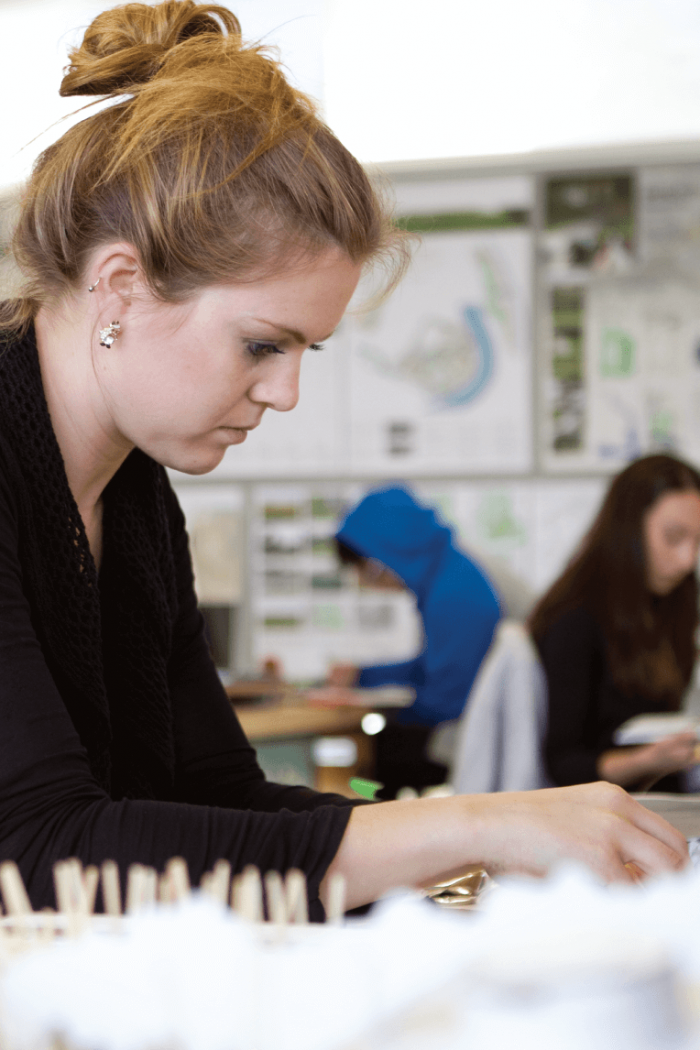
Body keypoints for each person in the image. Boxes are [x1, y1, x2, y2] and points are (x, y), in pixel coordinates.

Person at [0, 0, 687, 919]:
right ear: (122, 285)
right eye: (260, 345)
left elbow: (217, 799)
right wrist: (476, 827)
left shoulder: (134, 499)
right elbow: (39, 853)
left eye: (304, 354)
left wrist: (480, 849)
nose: (284, 395)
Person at [530, 454, 700, 793]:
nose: (687, 560)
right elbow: (562, 764)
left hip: (666, 799)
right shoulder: (574, 619)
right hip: (604, 811)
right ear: (629, 528)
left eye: (697, 542)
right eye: (673, 537)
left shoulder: (676, 599)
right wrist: (650, 759)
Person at [330, 485, 502, 797]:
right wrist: (363, 677)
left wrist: (383, 713)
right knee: (384, 743)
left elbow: (446, 701)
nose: (367, 582)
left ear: (386, 556)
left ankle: (367, 810)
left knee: (378, 759)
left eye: (367, 570)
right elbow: (435, 667)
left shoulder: (453, 595)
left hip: (472, 735)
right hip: (473, 722)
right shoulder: (448, 572)